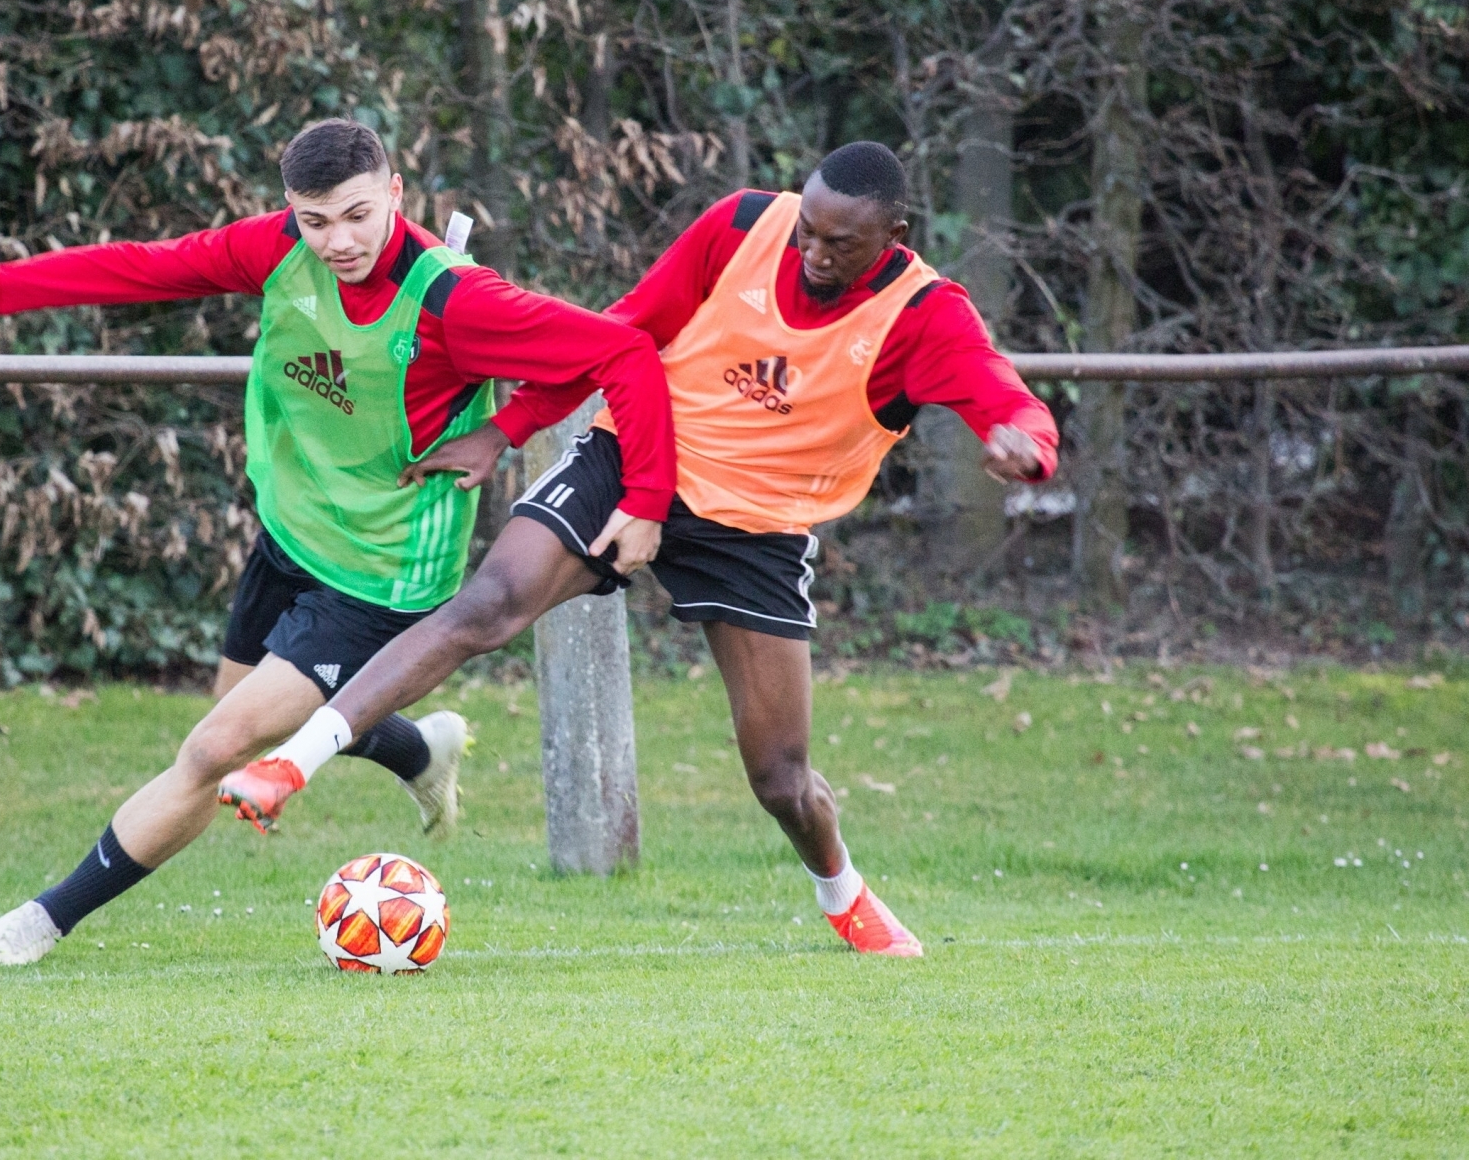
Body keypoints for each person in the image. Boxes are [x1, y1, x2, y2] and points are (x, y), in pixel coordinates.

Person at [220, 141, 1058, 958]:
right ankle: (291, 766)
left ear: (893, 238)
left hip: (756, 527)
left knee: (781, 779)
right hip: (629, 456)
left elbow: (1000, 391)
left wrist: (1021, 439)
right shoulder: (739, 226)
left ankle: (844, 893)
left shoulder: (922, 313)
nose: (812, 253)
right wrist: (508, 428)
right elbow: (625, 329)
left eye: (840, 244)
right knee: (486, 606)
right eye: (808, 228)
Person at [0, 119, 675, 965]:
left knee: (215, 750)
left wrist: (538, 443)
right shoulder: (275, 249)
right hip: (292, 532)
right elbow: (144, 269)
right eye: (315, 221)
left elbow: (620, 351)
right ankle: (417, 745)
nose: (337, 241)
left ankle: (43, 921)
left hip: (382, 577)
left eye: (358, 216)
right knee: (233, 729)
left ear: (397, 193)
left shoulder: (455, 299)